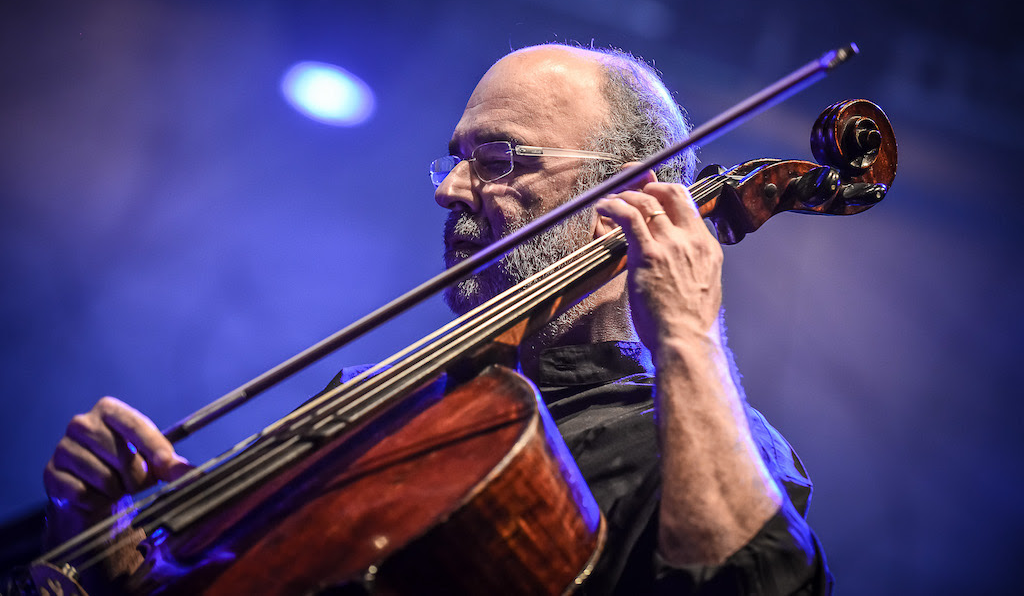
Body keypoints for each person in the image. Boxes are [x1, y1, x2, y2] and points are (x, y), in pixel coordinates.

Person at [41, 44, 832, 594]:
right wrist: (102, 544)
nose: (448, 188)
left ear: (623, 200)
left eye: (497, 160)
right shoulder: (383, 401)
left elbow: (752, 586)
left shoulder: (707, 441)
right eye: (456, 156)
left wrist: (687, 334)